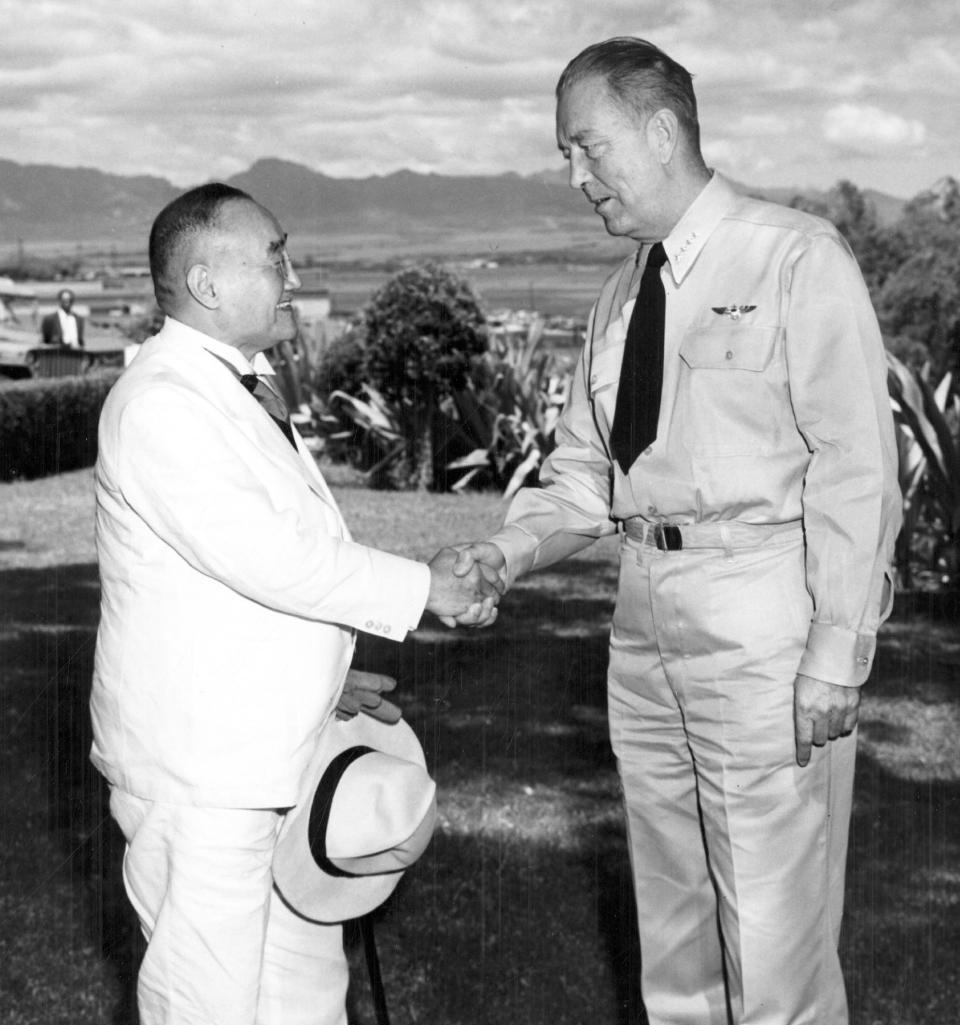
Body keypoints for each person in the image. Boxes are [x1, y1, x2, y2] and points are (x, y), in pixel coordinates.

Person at [453, 37, 901, 1025]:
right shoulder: (621, 297)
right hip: (644, 621)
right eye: (566, 155)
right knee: (676, 931)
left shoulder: (795, 257)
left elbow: (858, 469)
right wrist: (506, 549)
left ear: (660, 130)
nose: (576, 177)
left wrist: (836, 654)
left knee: (777, 939)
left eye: (585, 145)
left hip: (763, 619)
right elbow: (583, 474)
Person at [90, 182, 501, 1025]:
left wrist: (322, 677)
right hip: (203, 780)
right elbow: (270, 556)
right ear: (206, 283)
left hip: (268, 756)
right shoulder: (164, 403)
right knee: (208, 1004)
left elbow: (234, 584)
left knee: (301, 1000)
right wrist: (427, 587)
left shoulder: (237, 383)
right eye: (274, 255)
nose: (291, 272)